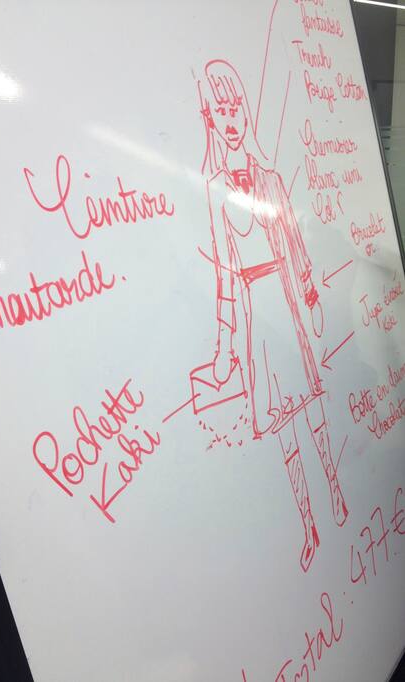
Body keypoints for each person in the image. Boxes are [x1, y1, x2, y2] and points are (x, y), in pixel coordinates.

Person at [198, 59, 348, 572]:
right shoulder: (215, 192)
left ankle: (335, 488)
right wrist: (225, 349)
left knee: (312, 408)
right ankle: (308, 525)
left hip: (284, 300)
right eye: (221, 110)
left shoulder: (271, 179)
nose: (231, 118)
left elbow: (295, 241)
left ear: (246, 111)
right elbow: (223, 275)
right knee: (284, 425)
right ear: (210, 118)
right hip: (256, 316)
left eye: (236, 107)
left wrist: (311, 295)